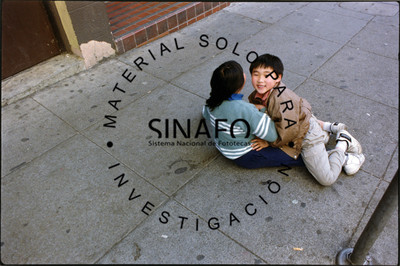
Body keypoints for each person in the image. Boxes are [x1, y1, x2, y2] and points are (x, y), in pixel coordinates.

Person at [247, 53, 365, 186]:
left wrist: (268, 143)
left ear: (278, 78)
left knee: (326, 179)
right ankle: (327, 129)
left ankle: (343, 144)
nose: (260, 80)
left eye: (267, 75)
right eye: (256, 74)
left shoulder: (281, 100)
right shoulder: (261, 93)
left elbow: (288, 132)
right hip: (302, 123)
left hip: (306, 137)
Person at [202, 60, 307, 168]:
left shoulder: (211, 102)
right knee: (293, 154)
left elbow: (205, 114)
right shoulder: (245, 110)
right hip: (246, 155)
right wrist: (262, 110)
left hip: (223, 146)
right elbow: (272, 135)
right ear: (242, 82)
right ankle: (315, 159)